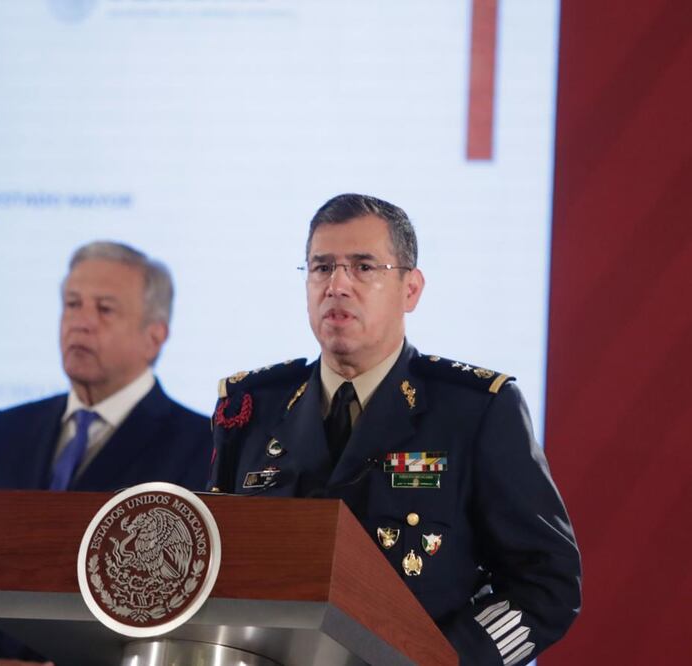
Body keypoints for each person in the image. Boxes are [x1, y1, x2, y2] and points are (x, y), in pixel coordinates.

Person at [210, 194, 581, 665]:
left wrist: (442, 660)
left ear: (411, 289)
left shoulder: (474, 410)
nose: (337, 285)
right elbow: (216, 571)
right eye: (321, 267)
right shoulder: (251, 409)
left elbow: (546, 581)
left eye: (364, 267)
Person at [0, 241, 212, 665]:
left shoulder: (201, 446)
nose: (81, 323)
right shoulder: (6, 430)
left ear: (155, 336)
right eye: (72, 304)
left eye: (104, 309)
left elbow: (191, 611)